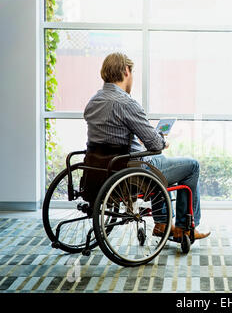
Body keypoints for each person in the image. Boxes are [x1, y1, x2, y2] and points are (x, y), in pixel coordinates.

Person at [83, 52, 210, 241]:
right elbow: (155, 144)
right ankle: (184, 227)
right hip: (130, 169)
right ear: (126, 71)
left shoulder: (93, 101)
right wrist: (163, 140)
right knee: (191, 166)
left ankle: (162, 224)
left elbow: (110, 137)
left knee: (159, 162)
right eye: (131, 73)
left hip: (100, 169)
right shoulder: (126, 103)